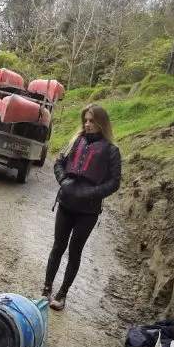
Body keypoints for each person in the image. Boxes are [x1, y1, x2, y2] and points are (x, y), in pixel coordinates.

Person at [42, 105, 122, 311]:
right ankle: (46, 288)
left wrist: (90, 193)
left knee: (75, 251)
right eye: (85, 120)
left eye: (92, 121)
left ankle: (62, 293)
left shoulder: (112, 151)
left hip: (88, 211)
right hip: (66, 204)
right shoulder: (75, 142)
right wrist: (63, 181)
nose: (87, 124)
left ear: (101, 123)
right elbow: (59, 163)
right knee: (57, 247)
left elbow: (114, 182)